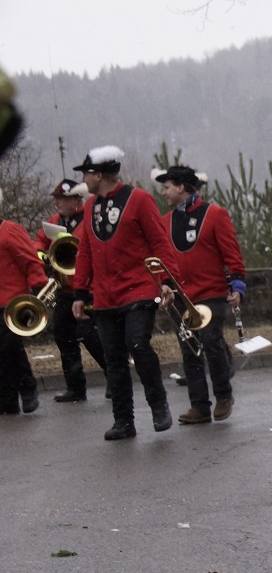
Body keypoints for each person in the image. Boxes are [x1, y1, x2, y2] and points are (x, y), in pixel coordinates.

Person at [70, 145, 179, 440]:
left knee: (138, 345)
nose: (85, 179)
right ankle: (123, 421)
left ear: (101, 174)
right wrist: (80, 292)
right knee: (114, 358)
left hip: (139, 289)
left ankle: (159, 406)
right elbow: (85, 253)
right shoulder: (90, 207)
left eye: (88, 173)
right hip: (105, 296)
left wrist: (166, 280)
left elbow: (159, 242)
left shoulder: (139, 199)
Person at [155, 165, 245, 425]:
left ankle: (224, 395)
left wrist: (237, 285)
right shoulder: (165, 221)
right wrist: (164, 284)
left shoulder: (215, 214)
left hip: (211, 293)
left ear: (181, 187)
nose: (164, 192)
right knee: (189, 350)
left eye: (167, 187)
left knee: (211, 342)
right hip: (180, 295)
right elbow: (163, 259)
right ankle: (199, 406)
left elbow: (231, 253)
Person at [35, 179, 109, 402]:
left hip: (88, 288)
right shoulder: (54, 221)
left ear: (76, 199)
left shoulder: (90, 219)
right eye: (56, 198)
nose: (55, 202)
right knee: (63, 336)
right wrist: (44, 258)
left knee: (90, 335)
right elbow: (38, 244)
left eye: (61, 198)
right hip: (64, 288)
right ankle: (75, 387)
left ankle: (114, 377)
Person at [0, 214, 47, 414]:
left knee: (10, 348)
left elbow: (29, 260)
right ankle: (7, 400)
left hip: (12, 303)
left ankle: (28, 389)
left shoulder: (9, 230)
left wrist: (38, 288)